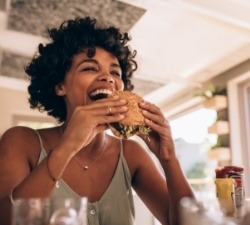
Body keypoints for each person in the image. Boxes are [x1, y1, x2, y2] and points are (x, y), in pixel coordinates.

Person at [0, 17, 195, 225]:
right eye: (90, 68)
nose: (108, 78)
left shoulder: (131, 154)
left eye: (115, 72)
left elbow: (189, 223)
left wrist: (169, 159)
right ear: (59, 86)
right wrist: (67, 146)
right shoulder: (20, 141)